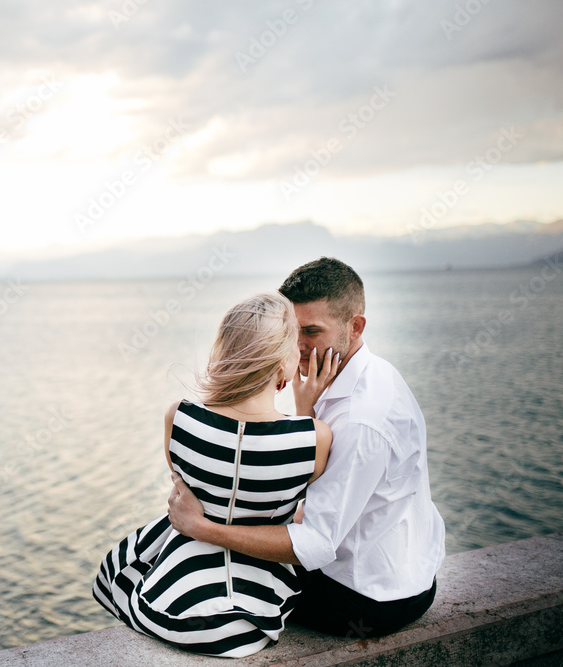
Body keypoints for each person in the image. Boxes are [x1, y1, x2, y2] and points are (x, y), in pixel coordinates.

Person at [167, 257, 445, 638]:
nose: (296, 347)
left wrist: (201, 526)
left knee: (214, 567)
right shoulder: (362, 374)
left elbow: (314, 544)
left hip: (366, 598)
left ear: (356, 325)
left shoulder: (362, 419)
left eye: (311, 332)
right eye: (291, 332)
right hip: (399, 572)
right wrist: (305, 410)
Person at [92, 292, 333, 658]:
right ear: (280, 364)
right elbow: (301, 514)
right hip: (250, 622)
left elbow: (190, 489)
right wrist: (306, 407)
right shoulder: (315, 438)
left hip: (171, 612)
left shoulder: (179, 417)